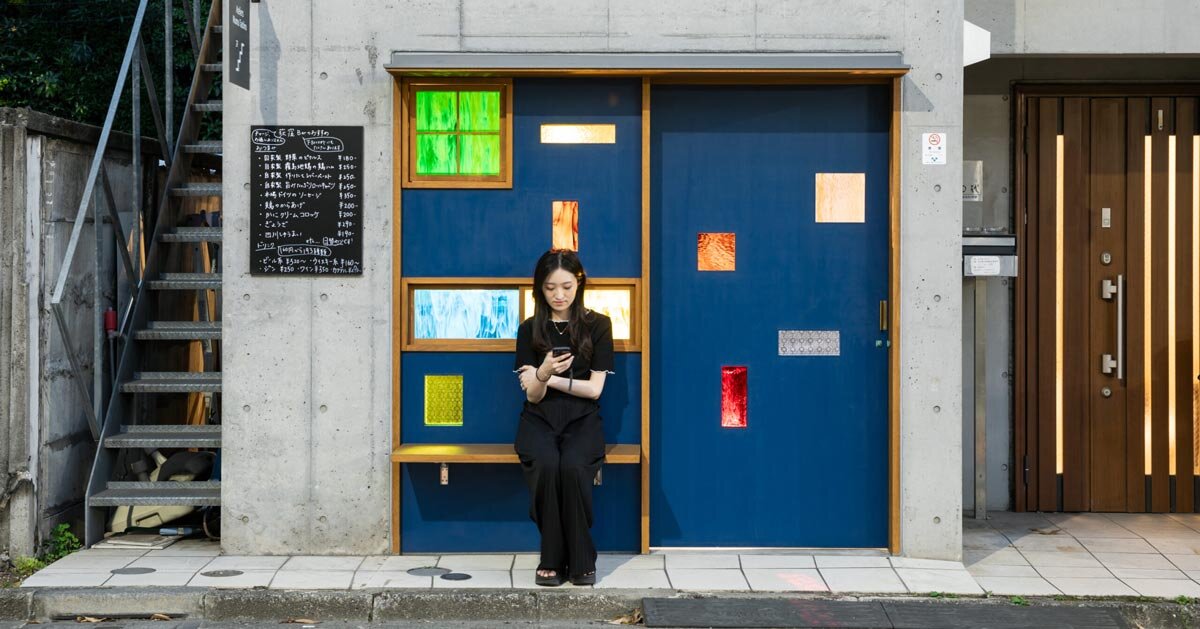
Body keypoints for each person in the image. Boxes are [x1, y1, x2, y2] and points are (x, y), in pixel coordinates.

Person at [514, 249, 614, 587]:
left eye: (567, 287)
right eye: (550, 287)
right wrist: (542, 376)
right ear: (539, 289)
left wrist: (545, 374)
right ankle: (552, 558)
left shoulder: (598, 325)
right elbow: (532, 395)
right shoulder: (529, 330)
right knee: (546, 466)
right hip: (538, 419)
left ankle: (582, 558)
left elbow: (596, 390)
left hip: (583, 419)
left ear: (579, 284)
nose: (559, 295)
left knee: (572, 467)